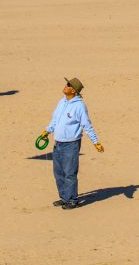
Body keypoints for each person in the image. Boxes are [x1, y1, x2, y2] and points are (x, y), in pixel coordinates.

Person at [40, 77, 104, 210]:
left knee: (69, 173)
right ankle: (64, 198)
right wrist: (47, 131)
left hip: (71, 145)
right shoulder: (61, 102)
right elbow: (55, 120)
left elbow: (87, 125)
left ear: (73, 90)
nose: (65, 86)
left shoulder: (79, 105)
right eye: (66, 83)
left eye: (68, 85)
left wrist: (95, 142)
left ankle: (72, 200)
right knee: (58, 172)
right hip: (58, 143)